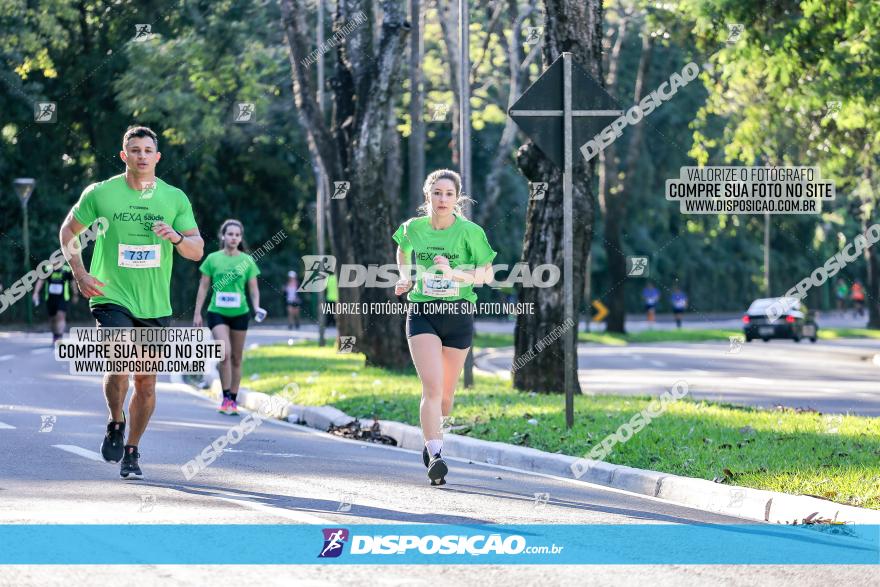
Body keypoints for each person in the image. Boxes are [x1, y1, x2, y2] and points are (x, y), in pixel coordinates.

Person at [59, 126, 203, 480]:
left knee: (147, 383)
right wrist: (79, 272)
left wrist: (176, 237)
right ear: (124, 156)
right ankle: (115, 419)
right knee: (119, 362)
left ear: (157, 157)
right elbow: (68, 232)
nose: (141, 155)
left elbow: (196, 250)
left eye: (147, 150)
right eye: (134, 150)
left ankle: (132, 449)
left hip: (154, 303)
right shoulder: (101, 193)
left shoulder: (174, 198)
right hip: (110, 295)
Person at [393, 169, 496, 486]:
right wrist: (405, 275)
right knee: (432, 387)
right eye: (437, 192)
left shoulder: (469, 232)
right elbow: (402, 250)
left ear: (457, 198)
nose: (442, 199)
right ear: (428, 195)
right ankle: (436, 454)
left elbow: (487, 275)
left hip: (458, 313)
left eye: (449, 194)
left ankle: (432, 440)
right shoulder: (413, 229)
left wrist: (454, 274)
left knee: (447, 397)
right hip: (423, 311)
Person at [193, 219, 263, 416]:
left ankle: (233, 398)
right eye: (230, 234)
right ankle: (225, 397)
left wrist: (257, 307)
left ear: (241, 238)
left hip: (240, 313)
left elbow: (254, 290)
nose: (233, 238)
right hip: (217, 312)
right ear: (223, 236)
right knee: (224, 353)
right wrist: (198, 312)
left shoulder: (247, 261)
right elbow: (204, 286)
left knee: (236, 358)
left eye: (237, 235)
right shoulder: (213, 259)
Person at [33, 262, 79, 342]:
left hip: (63, 298)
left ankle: (60, 336)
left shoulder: (67, 270)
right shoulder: (47, 269)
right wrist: (36, 293)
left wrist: (75, 294)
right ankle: (55, 334)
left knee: (60, 316)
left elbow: (72, 282)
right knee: (52, 319)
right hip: (50, 298)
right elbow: (41, 280)